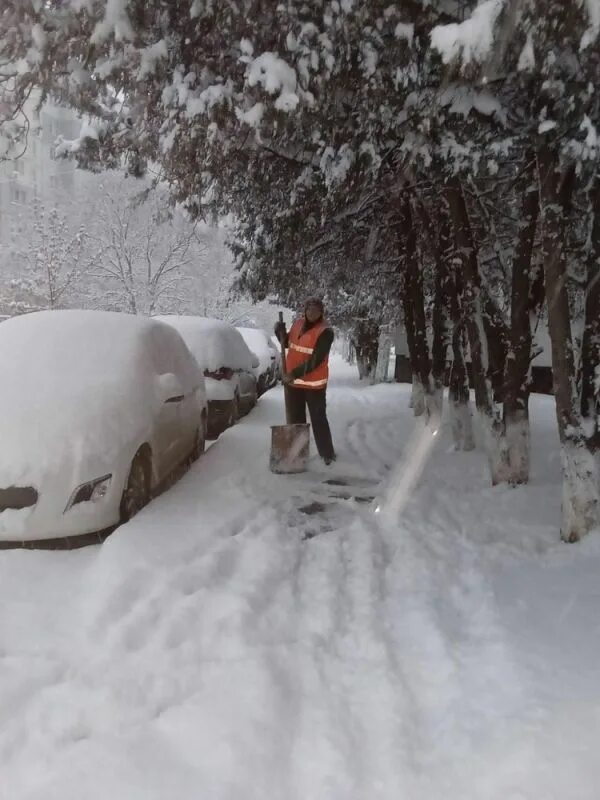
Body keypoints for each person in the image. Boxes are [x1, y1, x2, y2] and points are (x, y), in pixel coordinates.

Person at [274, 298, 336, 465]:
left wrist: (293, 373)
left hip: (314, 385)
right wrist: (279, 331)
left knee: (318, 419)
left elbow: (316, 359)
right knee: (296, 421)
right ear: (305, 310)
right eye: (309, 309)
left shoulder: (326, 331)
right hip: (294, 384)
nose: (312, 313)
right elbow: (287, 343)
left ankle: (327, 455)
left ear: (321, 312)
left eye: (316, 310)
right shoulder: (297, 324)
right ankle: (297, 455)